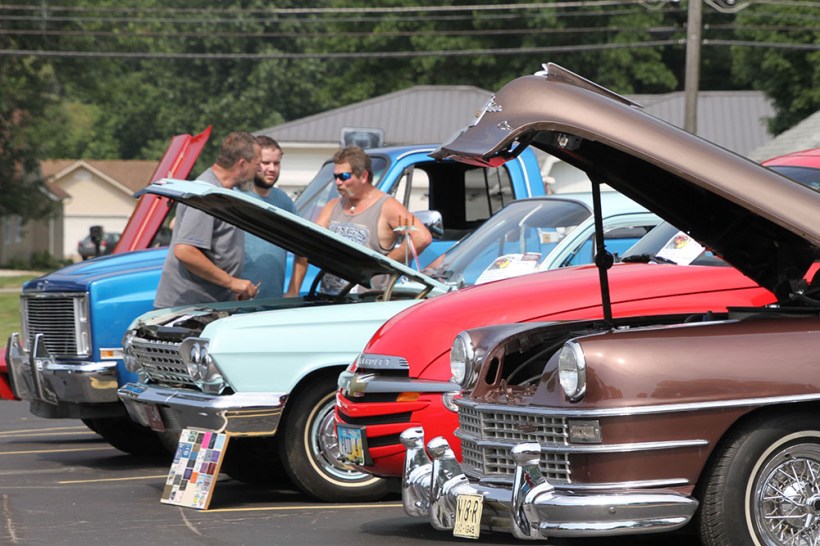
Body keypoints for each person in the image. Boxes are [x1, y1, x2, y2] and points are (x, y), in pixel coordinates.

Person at [287, 145, 432, 295]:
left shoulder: (387, 207)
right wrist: (293, 290)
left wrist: (382, 265)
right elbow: (308, 243)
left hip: (365, 302)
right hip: (329, 298)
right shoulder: (332, 207)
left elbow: (422, 237)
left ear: (363, 176)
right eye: (335, 177)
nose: (338, 182)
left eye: (344, 177)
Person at [154, 131, 261, 308]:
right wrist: (231, 282)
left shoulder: (221, 193)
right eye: (256, 164)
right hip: (189, 308)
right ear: (242, 164)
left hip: (209, 304)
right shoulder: (205, 195)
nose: (259, 170)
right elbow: (185, 250)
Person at [240, 136, 298, 299]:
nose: (272, 169)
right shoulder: (233, 196)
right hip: (236, 303)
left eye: (276, 163)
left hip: (273, 303)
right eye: (266, 163)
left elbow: (305, 247)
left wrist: (293, 290)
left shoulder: (284, 201)